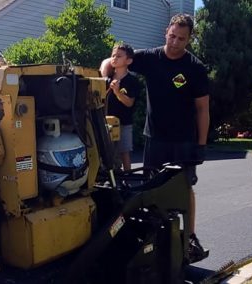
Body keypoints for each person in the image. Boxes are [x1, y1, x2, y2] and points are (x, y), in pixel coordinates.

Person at [100, 13, 210, 263]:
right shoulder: (149, 58)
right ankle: (153, 236)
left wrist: (201, 145)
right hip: (155, 137)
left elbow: (203, 109)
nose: (175, 42)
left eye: (181, 38)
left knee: (185, 188)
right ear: (166, 33)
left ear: (188, 40)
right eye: (172, 36)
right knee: (150, 188)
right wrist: (106, 70)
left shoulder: (195, 68)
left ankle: (190, 236)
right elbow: (113, 59)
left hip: (184, 139)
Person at [104, 43, 141, 171]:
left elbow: (129, 103)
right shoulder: (107, 79)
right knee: (108, 153)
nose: (114, 58)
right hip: (107, 122)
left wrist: (117, 92)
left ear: (129, 60)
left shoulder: (132, 81)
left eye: (119, 56)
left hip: (124, 123)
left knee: (124, 151)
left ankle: (128, 177)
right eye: (113, 55)